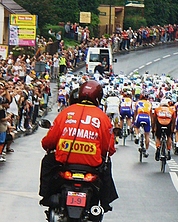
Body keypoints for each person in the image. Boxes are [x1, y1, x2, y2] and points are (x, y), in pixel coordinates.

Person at [38, 80, 118, 212]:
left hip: (64, 162)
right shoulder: (103, 118)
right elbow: (109, 149)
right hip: (92, 164)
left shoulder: (66, 113)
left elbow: (49, 142)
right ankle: (105, 202)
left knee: (47, 161)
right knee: (107, 165)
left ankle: (45, 196)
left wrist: (47, 146)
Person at [133, 93, 152, 158]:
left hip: (140, 116)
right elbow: (151, 113)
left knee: (136, 126)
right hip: (147, 117)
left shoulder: (137, 102)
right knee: (147, 134)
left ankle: (137, 135)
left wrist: (134, 121)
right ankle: (146, 151)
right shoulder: (149, 103)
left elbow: (135, 112)